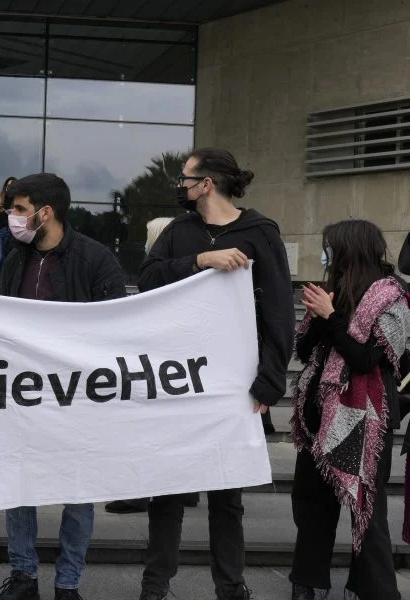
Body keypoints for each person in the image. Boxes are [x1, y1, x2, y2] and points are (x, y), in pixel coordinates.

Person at [136, 148, 295, 600]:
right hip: (178, 380)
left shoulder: (260, 232)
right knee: (166, 491)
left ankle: (231, 585)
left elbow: (280, 311)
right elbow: (146, 279)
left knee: (228, 496)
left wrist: (269, 380)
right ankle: (155, 586)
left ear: (206, 183)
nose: (180, 186)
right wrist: (200, 262)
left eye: (185, 179)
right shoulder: (179, 231)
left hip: (234, 383)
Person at [0, 173, 126, 600]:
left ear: (44, 213)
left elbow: (116, 327)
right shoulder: (16, 257)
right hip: (21, 393)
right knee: (18, 486)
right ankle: (23, 576)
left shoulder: (95, 259)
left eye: (18, 209)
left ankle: (68, 583)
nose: (13, 217)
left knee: (78, 493)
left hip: (78, 397)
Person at [289, 220, 410, 600]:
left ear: (348, 249)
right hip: (317, 416)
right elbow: (307, 352)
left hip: (365, 420)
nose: (325, 255)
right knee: (311, 506)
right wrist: (319, 319)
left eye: (330, 247)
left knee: (366, 512)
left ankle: (369, 588)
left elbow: (364, 359)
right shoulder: (330, 291)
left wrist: (331, 318)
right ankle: (307, 583)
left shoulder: (392, 297)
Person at [105, 215, 199, 516]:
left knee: (147, 433)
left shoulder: (159, 277)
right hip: (178, 364)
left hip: (158, 364)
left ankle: (140, 494)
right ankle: (185, 488)